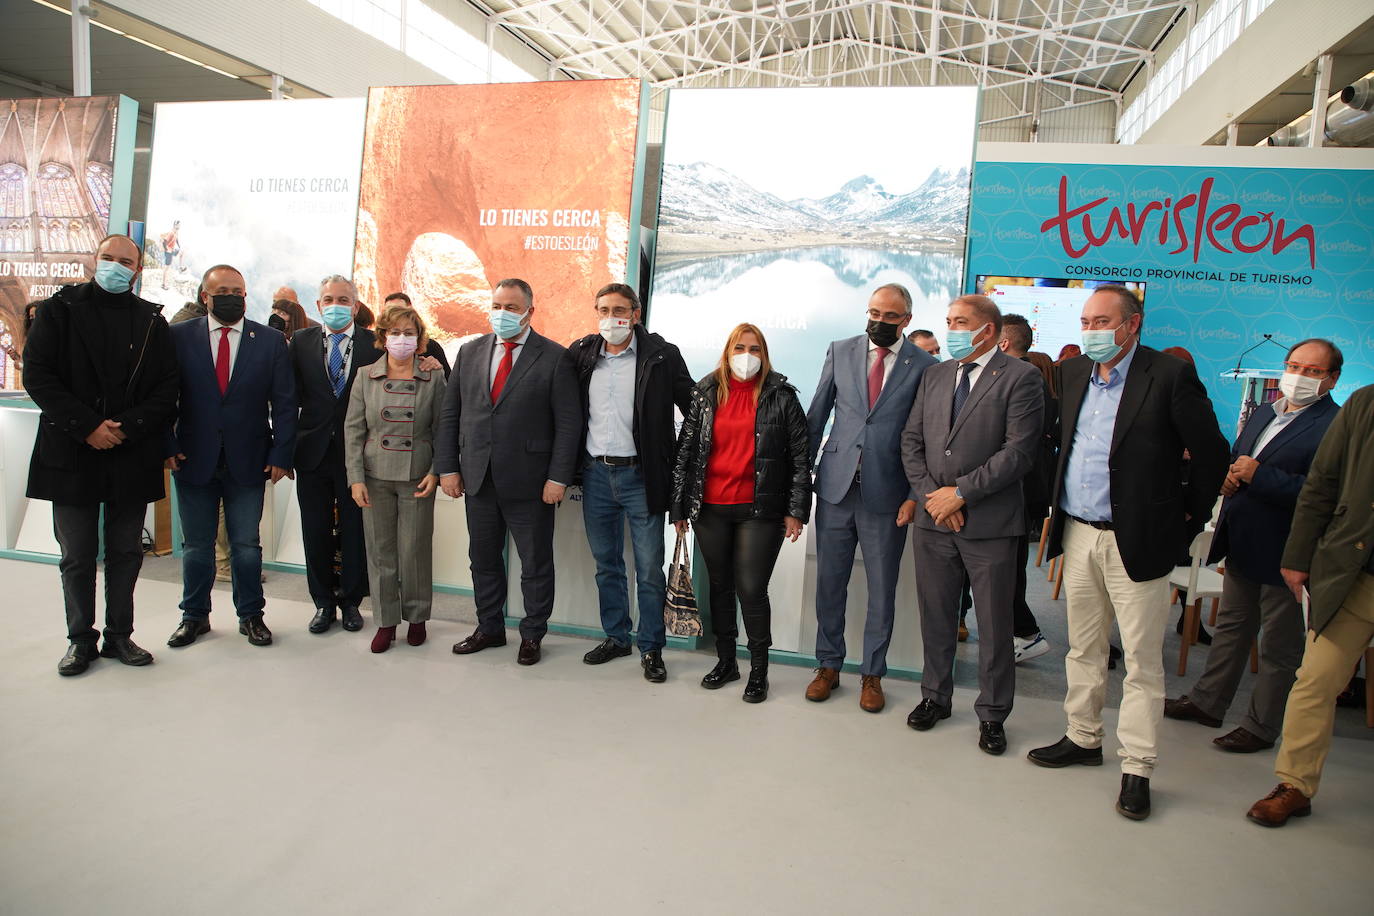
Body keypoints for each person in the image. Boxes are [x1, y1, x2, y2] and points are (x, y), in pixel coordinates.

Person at [1027, 285, 1228, 821]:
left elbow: (1212, 456)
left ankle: (1137, 766)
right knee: (1084, 646)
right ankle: (1083, 737)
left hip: (1139, 538)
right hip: (1079, 533)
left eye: (1101, 322)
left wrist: (1183, 520)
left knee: (1141, 660)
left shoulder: (1167, 375)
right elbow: (1059, 446)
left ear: (1132, 325)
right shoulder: (1071, 376)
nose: (1090, 331)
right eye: (1086, 321)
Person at [1166, 340, 1342, 752]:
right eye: (1294, 365)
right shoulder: (1266, 410)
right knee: (1231, 629)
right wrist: (1229, 476)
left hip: (1288, 551)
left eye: (1312, 371)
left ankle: (1261, 727)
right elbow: (1239, 458)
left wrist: (1258, 476)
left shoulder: (1335, 425)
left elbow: (1325, 493)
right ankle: (1209, 702)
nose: (1299, 376)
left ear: (1332, 379)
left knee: (1279, 647)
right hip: (1242, 539)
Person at [22, 235, 179, 676]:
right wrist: (87, 426)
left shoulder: (152, 321)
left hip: (129, 452)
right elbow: (37, 374)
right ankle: (79, 639)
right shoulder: (58, 311)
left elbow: (167, 387)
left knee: (126, 551)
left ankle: (119, 635)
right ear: (96, 260)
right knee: (77, 553)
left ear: (137, 270)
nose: (115, 266)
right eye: (108, 258)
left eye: (125, 261)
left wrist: (125, 427)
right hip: (71, 450)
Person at [901, 295, 1043, 753]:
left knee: (994, 623)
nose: (951, 330)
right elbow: (912, 441)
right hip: (934, 521)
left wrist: (960, 492)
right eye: (948, 322)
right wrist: (934, 497)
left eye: (960, 322)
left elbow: (1018, 452)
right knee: (936, 614)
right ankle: (935, 697)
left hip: (991, 524)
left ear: (988, 330)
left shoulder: (1022, 378)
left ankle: (994, 713)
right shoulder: (935, 375)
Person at [1245, 383, 1374, 827]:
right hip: (1354, 574)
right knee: (1315, 680)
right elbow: (1323, 482)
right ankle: (1295, 786)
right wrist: (1298, 556)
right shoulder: (1366, 403)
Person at [804, 283, 936, 712]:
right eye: (873, 312)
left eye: (889, 316)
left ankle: (872, 674)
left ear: (906, 321)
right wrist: (798, 478)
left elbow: (927, 436)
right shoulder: (840, 350)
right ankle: (828, 665)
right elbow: (818, 412)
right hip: (836, 488)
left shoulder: (924, 365)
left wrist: (917, 493)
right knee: (830, 583)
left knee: (882, 589)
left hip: (889, 492)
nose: (878, 321)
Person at [437, 279, 581, 666]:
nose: (503, 313)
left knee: (535, 563)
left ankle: (532, 634)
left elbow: (568, 424)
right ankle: (489, 627)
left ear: (530, 312)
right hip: (477, 478)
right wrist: (448, 467)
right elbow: (452, 414)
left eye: (512, 307)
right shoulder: (469, 352)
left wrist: (558, 477)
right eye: (497, 305)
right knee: (482, 558)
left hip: (532, 482)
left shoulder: (554, 357)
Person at [670, 323, 813, 703]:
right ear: (727, 351)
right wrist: (680, 505)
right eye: (739, 347)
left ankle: (759, 671)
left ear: (764, 355)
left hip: (760, 510)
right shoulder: (705, 392)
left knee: (751, 589)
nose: (746, 356)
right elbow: (686, 452)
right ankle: (726, 661)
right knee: (720, 586)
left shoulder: (781, 396)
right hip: (710, 508)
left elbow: (801, 457)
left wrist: (796, 509)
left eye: (754, 348)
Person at [164, 264, 297, 650]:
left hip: (249, 459)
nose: (231, 296)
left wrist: (281, 455)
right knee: (196, 546)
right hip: (192, 458)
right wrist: (167, 446)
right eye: (222, 290)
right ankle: (194, 617)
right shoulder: (178, 337)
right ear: (205, 296)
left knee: (246, 545)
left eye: (238, 291)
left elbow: (286, 404)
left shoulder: (270, 341)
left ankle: (251, 616)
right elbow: (163, 398)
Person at [566, 282, 693, 682]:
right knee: (607, 565)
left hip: (643, 476)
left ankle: (651, 648)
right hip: (597, 475)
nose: (610, 318)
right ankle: (616, 636)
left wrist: (681, 466)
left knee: (649, 570)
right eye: (602, 309)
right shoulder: (583, 353)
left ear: (635, 314)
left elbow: (693, 407)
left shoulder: (661, 355)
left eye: (619, 310)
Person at [346, 301, 445, 653]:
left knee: (414, 550)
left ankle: (417, 618)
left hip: (418, 475)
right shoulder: (364, 376)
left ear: (420, 340)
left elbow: (442, 429)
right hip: (374, 476)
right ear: (382, 336)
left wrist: (436, 471)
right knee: (380, 551)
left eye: (409, 333)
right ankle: (386, 621)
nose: (401, 339)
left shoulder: (434, 375)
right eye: (395, 332)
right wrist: (355, 478)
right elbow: (354, 430)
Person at [288, 276, 381, 635]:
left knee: (356, 531)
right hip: (311, 452)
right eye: (328, 299)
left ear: (356, 306)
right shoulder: (300, 341)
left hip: (358, 456)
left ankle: (352, 602)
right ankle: (323, 603)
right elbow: (287, 398)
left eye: (344, 299)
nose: (336, 305)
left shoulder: (376, 344)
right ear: (318, 306)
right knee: (315, 530)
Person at [997, 313, 1056, 664]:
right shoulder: (1035, 382)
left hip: (1014, 493)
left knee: (1007, 574)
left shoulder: (1022, 381)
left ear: (1002, 342)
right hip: (1022, 493)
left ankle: (1027, 634)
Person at [383, 291, 451, 376]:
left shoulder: (431, 347)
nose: (395, 316)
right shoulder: (373, 347)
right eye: (389, 311)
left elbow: (448, 382)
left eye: (400, 310)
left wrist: (436, 368)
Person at [159, 221, 180, 290]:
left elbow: (176, 239)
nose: (179, 227)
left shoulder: (176, 233)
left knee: (181, 253)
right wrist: (166, 249)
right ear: (175, 225)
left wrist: (179, 246)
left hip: (171, 250)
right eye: (178, 225)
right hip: (168, 251)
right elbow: (165, 241)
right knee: (167, 268)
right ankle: (163, 284)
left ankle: (180, 267)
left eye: (179, 225)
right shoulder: (171, 233)